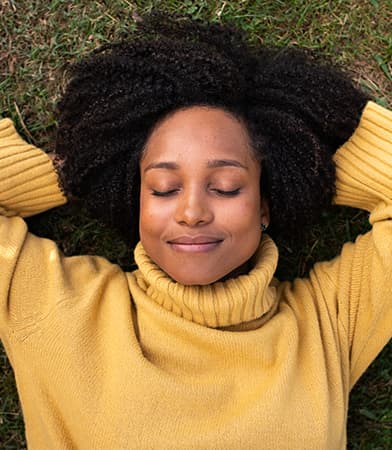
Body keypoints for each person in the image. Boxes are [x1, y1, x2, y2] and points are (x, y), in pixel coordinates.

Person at [0, 11, 391, 450]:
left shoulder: (330, 321)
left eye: (225, 187)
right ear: (135, 202)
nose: (192, 212)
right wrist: (81, 167)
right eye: (163, 188)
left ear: (264, 205)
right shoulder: (56, 306)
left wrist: (314, 155)